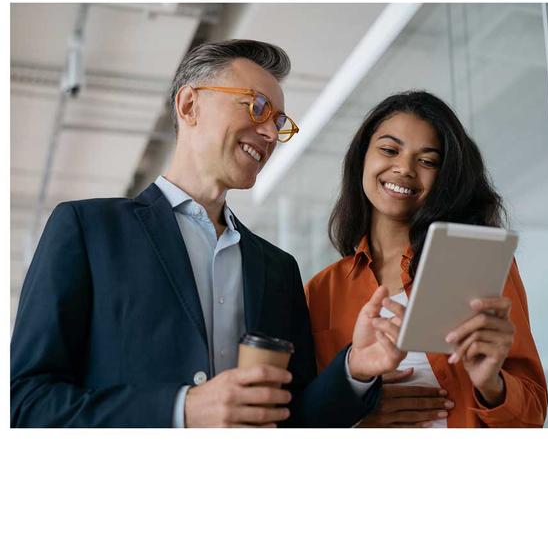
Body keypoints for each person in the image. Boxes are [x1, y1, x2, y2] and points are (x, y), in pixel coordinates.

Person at [11, 40, 407, 428]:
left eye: (278, 122)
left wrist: (353, 369)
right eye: (257, 107)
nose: (270, 133)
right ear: (189, 105)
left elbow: (294, 419)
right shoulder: (88, 230)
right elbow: (25, 402)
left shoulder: (277, 269)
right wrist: (182, 409)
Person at [305, 90, 548, 428]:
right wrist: (360, 415)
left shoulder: (478, 266)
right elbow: (305, 418)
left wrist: (491, 383)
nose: (404, 168)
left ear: (445, 177)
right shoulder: (320, 291)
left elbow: (532, 417)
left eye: (428, 161)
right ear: (362, 157)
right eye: (389, 150)